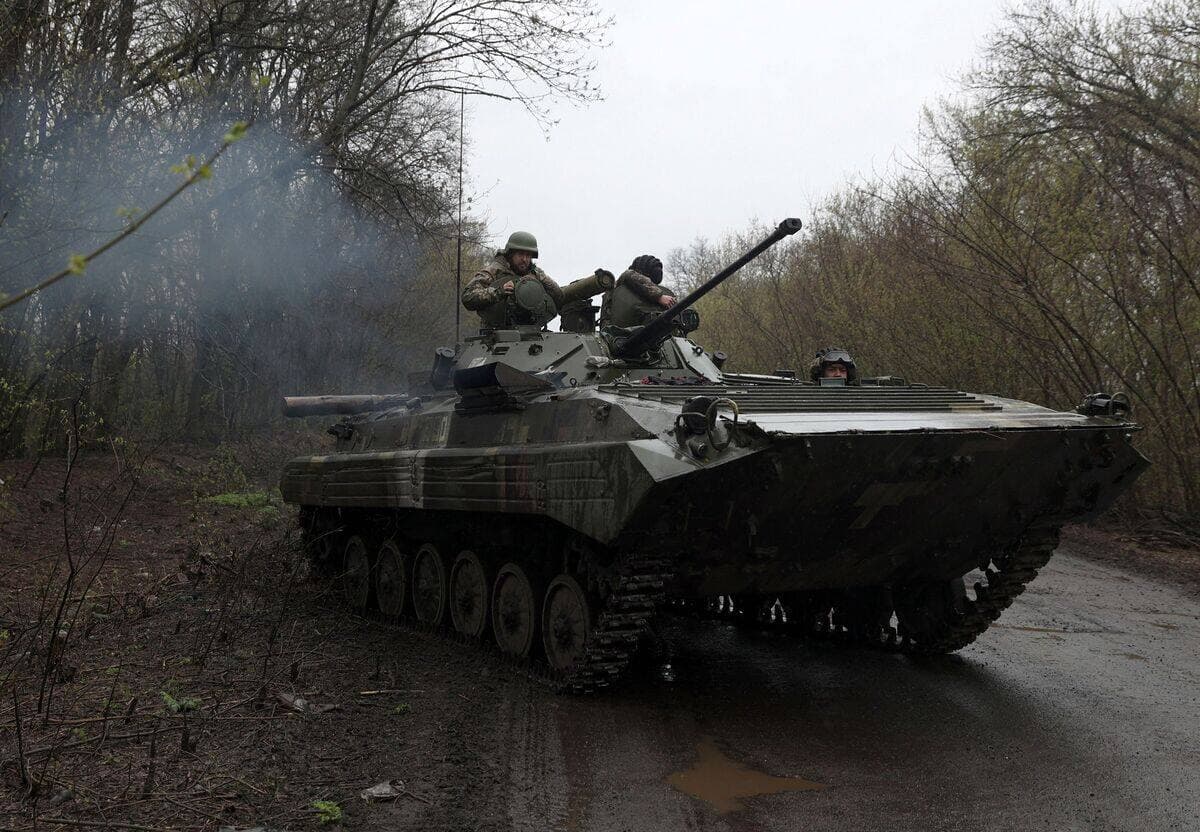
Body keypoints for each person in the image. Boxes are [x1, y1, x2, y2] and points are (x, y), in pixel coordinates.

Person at [462, 231, 564, 328]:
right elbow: (468, 297)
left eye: (528, 255)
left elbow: (558, 297)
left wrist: (542, 281)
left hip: (531, 332)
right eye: (520, 254)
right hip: (495, 335)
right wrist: (498, 292)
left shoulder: (536, 274)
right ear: (510, 254)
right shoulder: (494, 272)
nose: (524, 259)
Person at [601, 254, 677, 328]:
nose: (650, 285)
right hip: (615, 335)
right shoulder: (621, 285)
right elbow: (628, 274)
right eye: (648, 282)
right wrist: (659, 297)